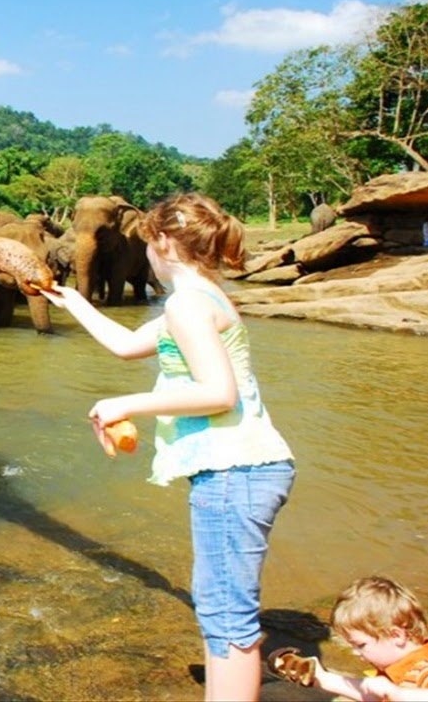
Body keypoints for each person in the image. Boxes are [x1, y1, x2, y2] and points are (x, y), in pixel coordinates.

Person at [41, 192, 295, 702]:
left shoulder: (186, 305)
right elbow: (127, 346)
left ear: (160, 243)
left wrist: (124, 405)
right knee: (223, 603)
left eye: (147, 244)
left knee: (224, 614)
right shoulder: (205, 298)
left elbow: (218, 394)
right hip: (246, 468)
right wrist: (75, 302)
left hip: (235, 470)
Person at [271, 576, 428, 701]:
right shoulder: (396, 668)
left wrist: (398, 694)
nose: (355, 652)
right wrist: (321, 678)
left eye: (361, 645)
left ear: (396, 635)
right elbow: (370, 695)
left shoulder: (424, 671)